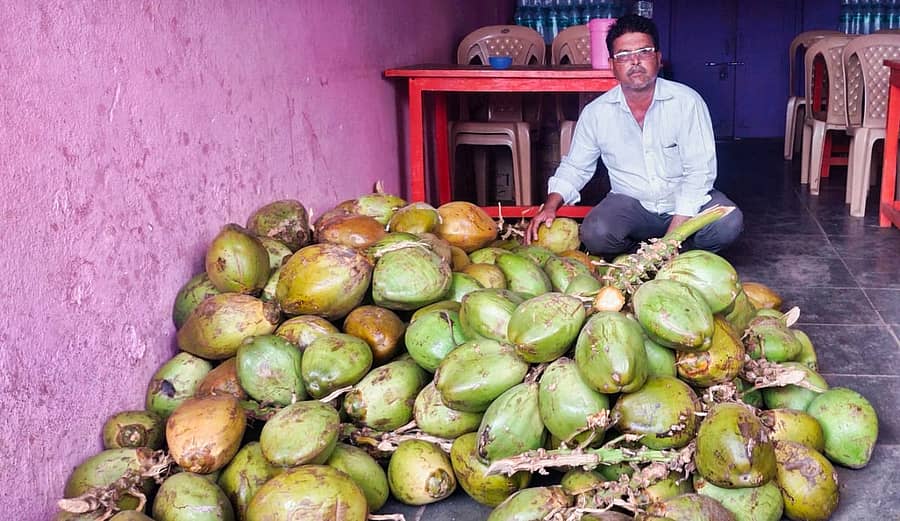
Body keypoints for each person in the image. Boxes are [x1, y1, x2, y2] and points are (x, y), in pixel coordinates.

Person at [525, 15, 743, 256]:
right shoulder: (597, 113)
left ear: (658, 59)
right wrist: (550, 206)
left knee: (728, 222)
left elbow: (699, 173)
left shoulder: (686, 102)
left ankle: (683, 252)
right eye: (624, 55)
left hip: (686, 206)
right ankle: (641, 254)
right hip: (632, 205)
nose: (635, 61)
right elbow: (576, 166)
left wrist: (673, 236)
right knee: (596, 232)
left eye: (644, 51)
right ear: (612, 65)